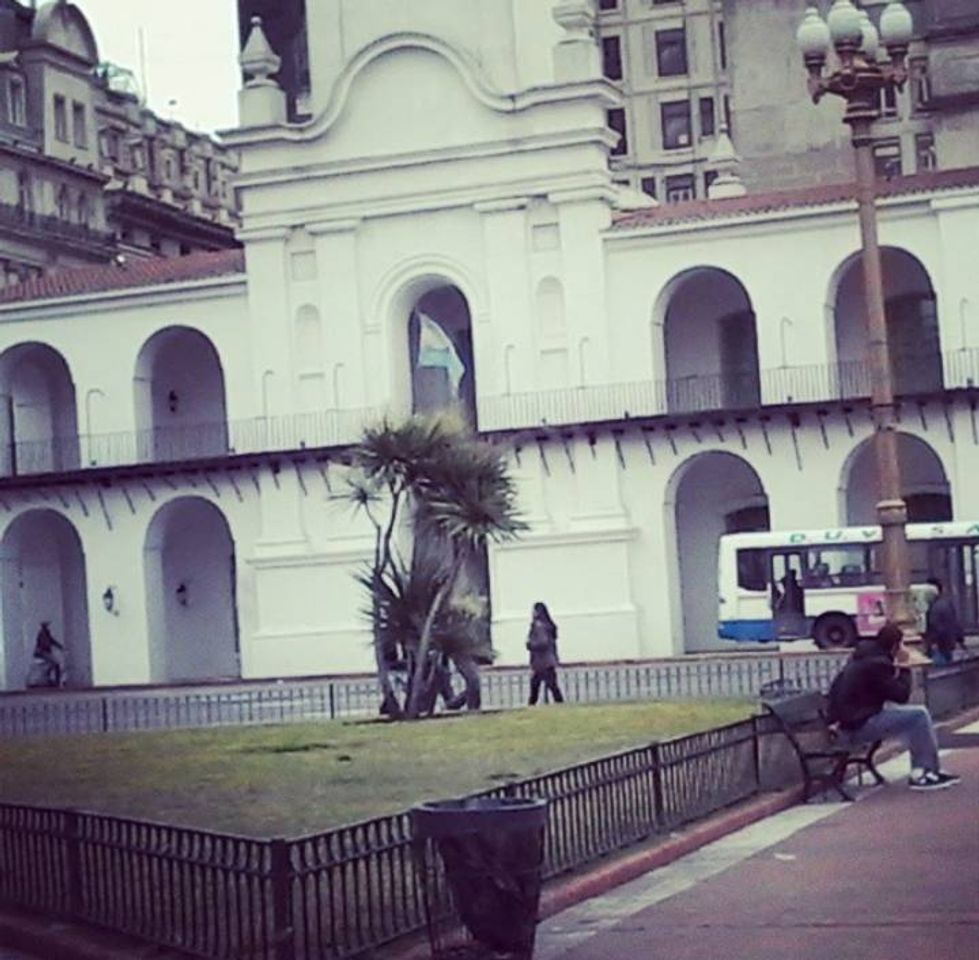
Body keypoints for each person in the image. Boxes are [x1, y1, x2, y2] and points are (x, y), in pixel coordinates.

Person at [826, 621, 959, 791]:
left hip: (850, 721)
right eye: (902, 644)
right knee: (918, 716)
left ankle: (929, 768)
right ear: (895, 646)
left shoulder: (865, 656)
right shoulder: (878, 664)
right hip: (855, 727)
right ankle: (922, 771)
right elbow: (901, 695)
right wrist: (905, 667)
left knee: (910, 715)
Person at [526, 602, 564, 706]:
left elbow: (542, 642)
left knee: (536, 686)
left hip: (541, 662)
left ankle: (531, 705)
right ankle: (560, 704)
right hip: (548, 661)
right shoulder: (548, 625)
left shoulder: (538, 626)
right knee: (551, 686)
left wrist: (530, 644)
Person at [923, 577, 965, 665]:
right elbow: (956, 623)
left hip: (938, 647)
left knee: (937, 668)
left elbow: (934, 626)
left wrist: (932, 643)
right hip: (949, 645)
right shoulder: (947, 603)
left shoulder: (933, 607)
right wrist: (960, 639)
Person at [33, 621, 64, 687]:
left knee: (52, 664)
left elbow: (52, 641)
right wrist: (60, 647)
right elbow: (47, 642)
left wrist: (60, 647)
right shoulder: (43, 634)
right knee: (56, 664)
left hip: (43, 652)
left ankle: (50, 678)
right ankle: (56, 681)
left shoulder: (45, 634)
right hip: (43, 652)